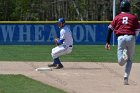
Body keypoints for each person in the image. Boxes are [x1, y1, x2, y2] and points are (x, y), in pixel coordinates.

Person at [105, 0, 140, 85]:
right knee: (130, 60)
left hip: (121, 38)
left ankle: (124, 56)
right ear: (129, 8)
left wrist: (107, 42)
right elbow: (137, 30)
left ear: (121, 7)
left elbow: (110, 29)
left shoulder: (117, 17)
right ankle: (126, 77)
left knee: (121, 62)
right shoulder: (133, 17)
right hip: (131, 37)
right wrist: (133, 38)